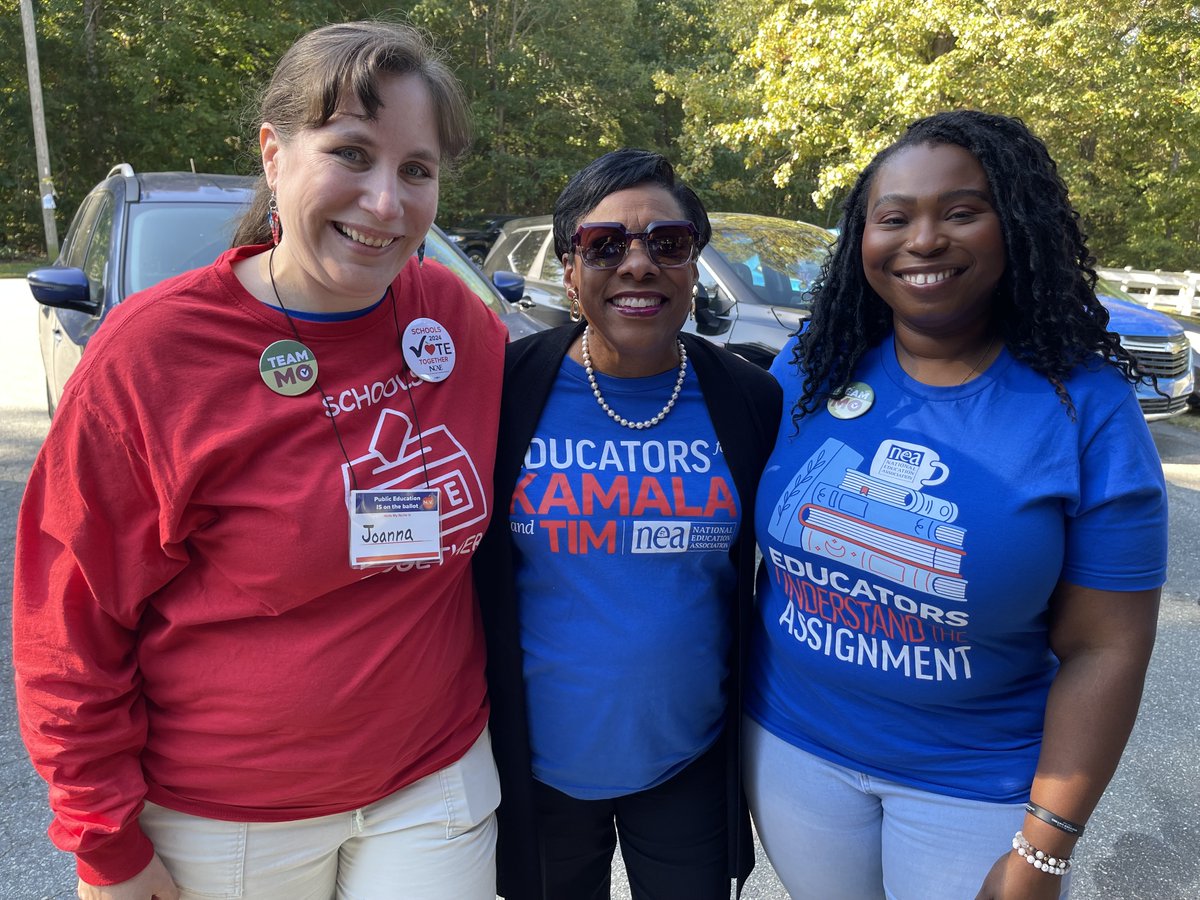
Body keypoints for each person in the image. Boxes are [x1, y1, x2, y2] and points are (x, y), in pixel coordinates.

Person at [13, 21, 507, 900]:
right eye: (352, 154)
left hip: (432, 791)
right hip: (223, 822)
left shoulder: (456, 321)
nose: (386, 203)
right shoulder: (155, 353)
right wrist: (105, 843)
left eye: (416, 170)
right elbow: (69, 621)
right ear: (275, 156)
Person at [744, 109, 1168, 899]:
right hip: (791, 750)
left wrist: (1044, 848)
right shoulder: (813, 365)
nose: (924, 240)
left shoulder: (1085, 410)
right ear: (861, 238)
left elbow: (1107, 649)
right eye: (894, 218)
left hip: (974, 786)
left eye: (961, 212)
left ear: (1016, 228)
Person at [474, 148, 780, 900]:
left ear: (695, 265)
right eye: (604, 245)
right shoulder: (504, 389)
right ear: (571, 272)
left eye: (667, 243)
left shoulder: (749, 401)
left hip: (689, 762)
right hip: (535, 766)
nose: (637, 264)